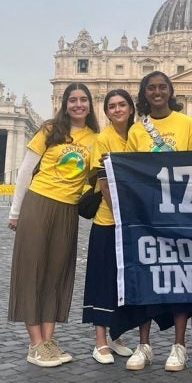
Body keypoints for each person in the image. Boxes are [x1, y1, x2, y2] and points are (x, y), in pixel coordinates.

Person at [7, 82, 99, 368]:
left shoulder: (95, 138)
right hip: (39, 202)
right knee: (31, 270)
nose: (78, 105)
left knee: (57, 273)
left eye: (83, 100)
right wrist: (15, 211)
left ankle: (49, 340)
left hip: (68, 209)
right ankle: (34, 344)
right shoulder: (49, 129)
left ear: (90, 104)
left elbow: (96, 178)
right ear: (65, 103)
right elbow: (25, 170)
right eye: (73, 100)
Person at [122, 71, 192, 372]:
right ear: (144, 93)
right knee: (146, 273)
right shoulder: (136, 131)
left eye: (162, 88)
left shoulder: (187, 124)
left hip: (180, 211)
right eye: (151, 88)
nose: (157, 92)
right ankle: (143, 345)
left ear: (171, 92)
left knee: (181, 274)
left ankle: (179, 345)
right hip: (147, 212)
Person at [82, 89, 138, 365]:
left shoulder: (139, 134)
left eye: (122, 105)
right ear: (106, 112)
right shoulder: (103, 139)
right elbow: (104, 183)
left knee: (125, 282)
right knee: (103, 280)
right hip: (108, 220)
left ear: (131, 108)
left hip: (134, 222)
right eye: (111, 106)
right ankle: (100, 341)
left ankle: (116, 336)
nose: (117, 110)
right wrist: (123, 211)